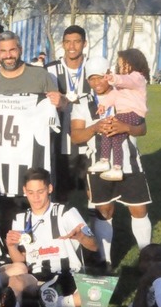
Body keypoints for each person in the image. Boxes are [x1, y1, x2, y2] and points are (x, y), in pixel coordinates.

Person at [0, 168, 97, 307]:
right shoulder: (20, 219)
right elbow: (19, 261)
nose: (35, 197)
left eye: (40, 191)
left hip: (68, 274)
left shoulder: (66, 212)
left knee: (102, 292)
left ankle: (52, 303)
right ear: (24, 191)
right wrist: (11, 246)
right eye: (30, 192)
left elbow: (94, 245)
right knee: (16, 280)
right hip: (37, 278)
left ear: (50, 189)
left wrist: (81, 237)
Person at [70, 57, 153, 268]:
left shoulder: (126, 93)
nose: (96, 83)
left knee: (139, 210)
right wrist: (95, 128)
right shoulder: (82, 102)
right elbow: (76, 136)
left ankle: (147, 259)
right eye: (92, 80)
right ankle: (104, 261)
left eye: (100, 78)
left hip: (130, 163)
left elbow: (142, 129)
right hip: (98, 165)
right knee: (104, 212)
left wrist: (126, 128)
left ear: (109, 74)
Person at [0, 31, 62, 230]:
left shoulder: (40, 76)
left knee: (38, 204)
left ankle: (43, 249)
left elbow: (58, 109)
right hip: (4, 158)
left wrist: (61, 101)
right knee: (8, 210)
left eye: (12, 50)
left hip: (34, 156)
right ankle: (12, 253)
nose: (8, 55)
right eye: (3, 51)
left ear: (21, 50)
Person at [87, 48, 149, 182]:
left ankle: (112, 165)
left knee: (111, 128)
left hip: (133, 113)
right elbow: (114, 95)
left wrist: (113, 78)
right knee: (112, 133)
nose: (121, 67)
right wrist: (104, 104)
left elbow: (127, 80)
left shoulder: (137, 77)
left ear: (133, 63)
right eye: (119, 65)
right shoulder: (121, 86)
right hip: (126, 113)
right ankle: (109, 164)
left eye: (123, 65)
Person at [45, 26, 91, 201]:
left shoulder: (94, 67)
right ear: (62, 44)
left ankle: (96, 226)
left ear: (84, 44)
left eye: (77, 41)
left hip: (91, 140)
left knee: (94, 192)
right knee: (61, 192)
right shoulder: (49, 70)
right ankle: (62, 225)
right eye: (67, 42)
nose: (72, 46)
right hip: (59, 142)